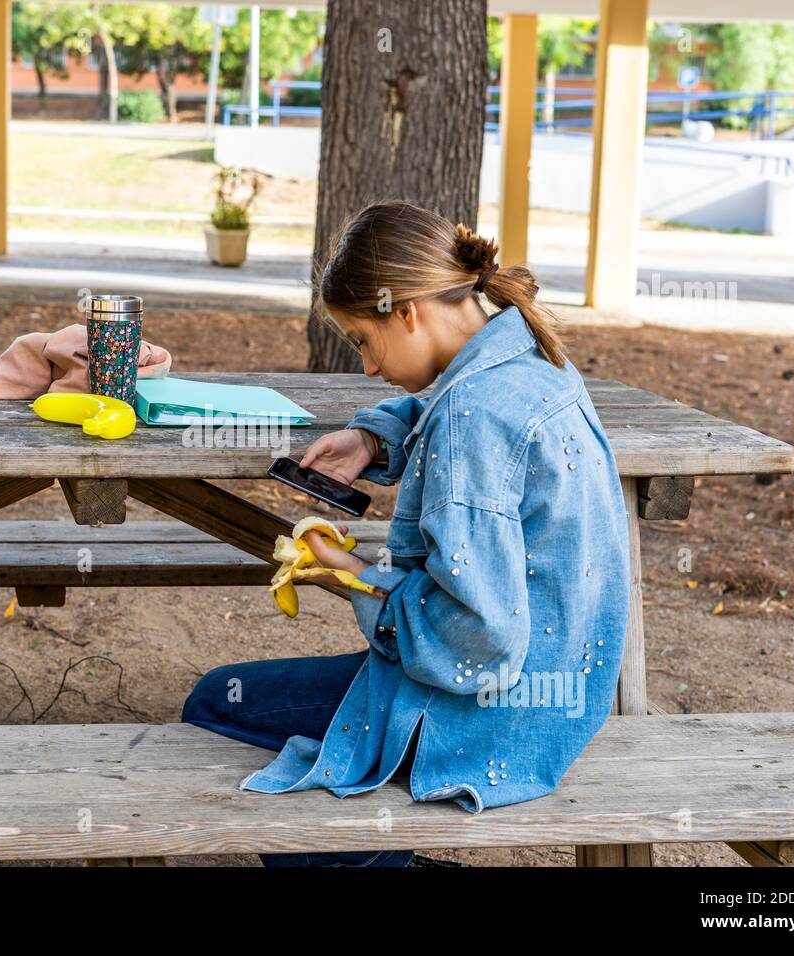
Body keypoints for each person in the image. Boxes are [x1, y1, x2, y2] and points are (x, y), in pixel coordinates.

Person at [181, 200, 631, 868]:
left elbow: (478, 639)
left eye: (363, 339)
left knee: (216, 703)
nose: (366, 367)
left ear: (409, 312)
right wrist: (375, 433)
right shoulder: (533, 357)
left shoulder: (472, 421)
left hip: (486, 716)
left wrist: (348, 573)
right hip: (565, 694)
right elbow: (444, 405)